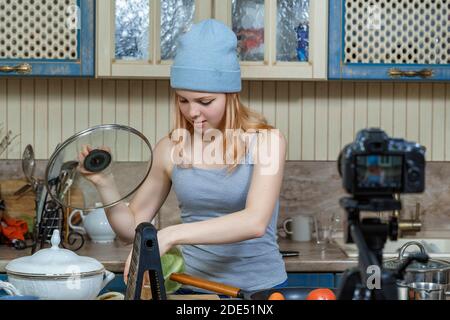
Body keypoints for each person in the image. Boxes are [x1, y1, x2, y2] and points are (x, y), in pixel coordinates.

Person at [79, 19, 287, 292]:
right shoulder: (170, 148)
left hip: (258, 291)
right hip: (192, 287)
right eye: (183, 100)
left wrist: (171, 235)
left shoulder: (267, 141)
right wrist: (104, 183)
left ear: (230, 95)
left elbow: (255, 221)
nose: (192, 113)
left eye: (205, 102)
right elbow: (132, 229)